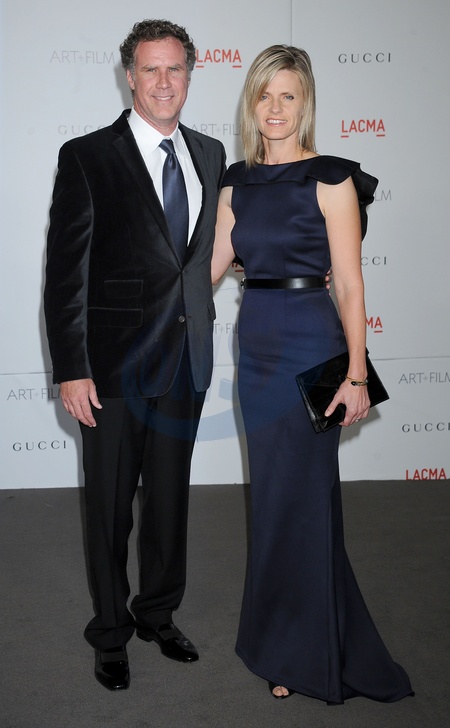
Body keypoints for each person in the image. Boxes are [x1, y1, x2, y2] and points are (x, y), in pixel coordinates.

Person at [212, 45, 413, 704]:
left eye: (288, 95)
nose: (275, 108)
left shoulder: (331, 179)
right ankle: (282, 639)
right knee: (272, 500)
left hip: (312, 347)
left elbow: (350, 285)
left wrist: (356, 375)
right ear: (252, 103)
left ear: (305, 104)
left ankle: (304, 651)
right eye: (264, 94)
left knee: (306, 500)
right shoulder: (236, 183)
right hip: (256, 351)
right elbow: (206, 270)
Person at [44, 19, 226, 691]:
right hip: (113, 368)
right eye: (150, 69)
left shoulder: (210, 153)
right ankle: (111, 632)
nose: (163, 81)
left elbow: (201, 256)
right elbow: (66, 273)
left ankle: (157, 614)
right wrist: (71, 367)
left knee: (170, 503)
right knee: (110, 508)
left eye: (175, 68)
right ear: (129, 76)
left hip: (185, 360)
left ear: (189, 74)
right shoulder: (87, 155)